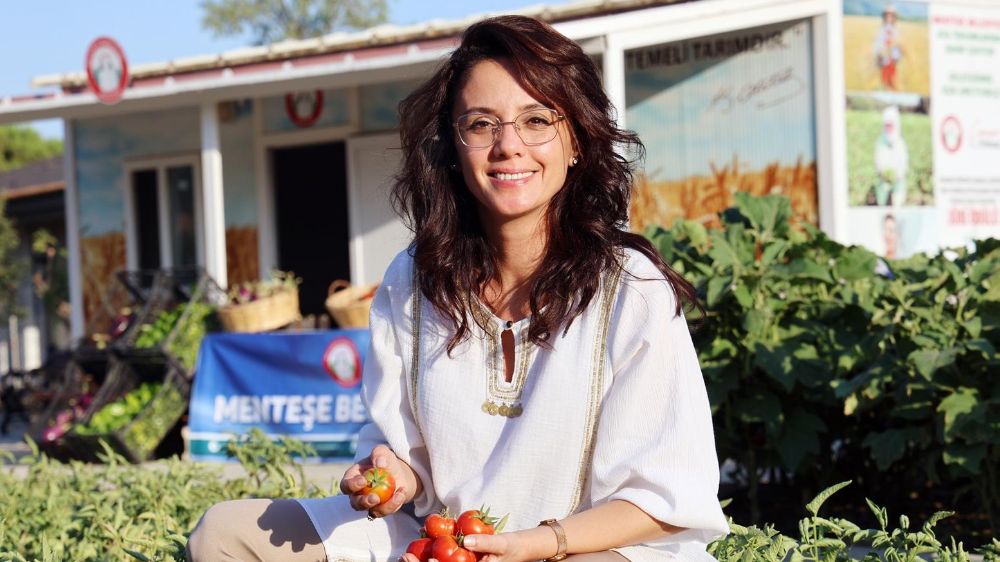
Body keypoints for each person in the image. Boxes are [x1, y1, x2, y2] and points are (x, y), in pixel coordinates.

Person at [187, 15, 728, 562]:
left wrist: (539, 544)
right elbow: (403, 452)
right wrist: (393, 474)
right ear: (453, 147)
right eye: (481, 124)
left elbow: (666, 498)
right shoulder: (412, 280)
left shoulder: (630, 290)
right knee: (225, 535)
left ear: (576, 143)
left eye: (537, 120)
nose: (508, 146)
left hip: (585, 549)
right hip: (444, 542)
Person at [872, 4, 903, 91]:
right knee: (884, 81)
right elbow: (877, 43)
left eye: (891, 15)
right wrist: (878, 55)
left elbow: (898, 45)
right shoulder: (881, 30)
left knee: (893, 80)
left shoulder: (896, 30)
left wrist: (896, 57)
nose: (889, 17)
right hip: (883, 59)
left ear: (894, 17)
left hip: (892, 60)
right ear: (884, 16)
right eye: (887, 15)